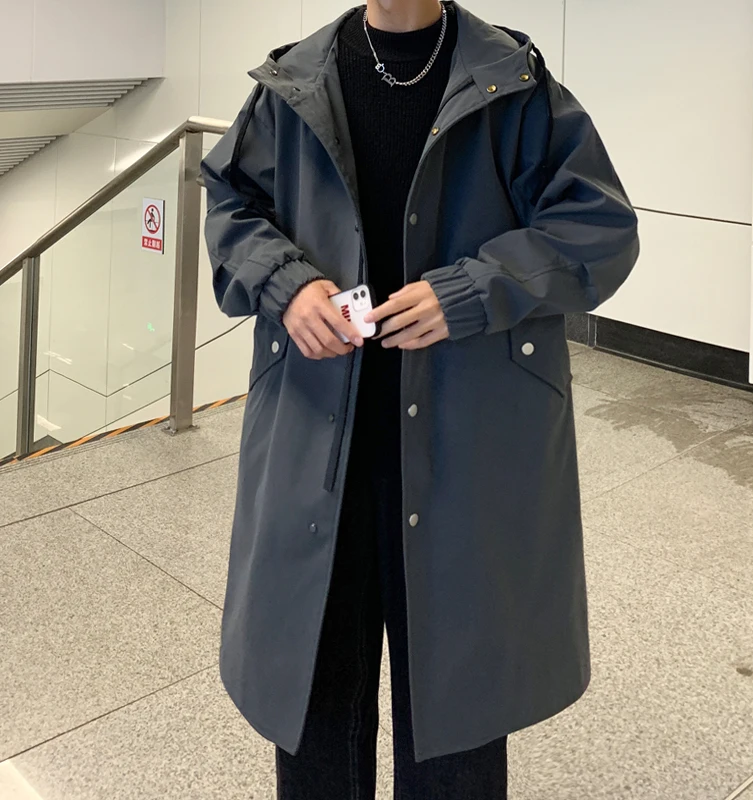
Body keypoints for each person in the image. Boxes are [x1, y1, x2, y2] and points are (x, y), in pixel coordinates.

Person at [201, 0, 639, 797]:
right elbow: (231, 205)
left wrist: (473, 290)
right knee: (315, 709)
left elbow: (599, 228)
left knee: (457, 719)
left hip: (462, 452)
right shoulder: (293, 83)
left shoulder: (512, 83)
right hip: (318, 450)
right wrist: (286, 283)